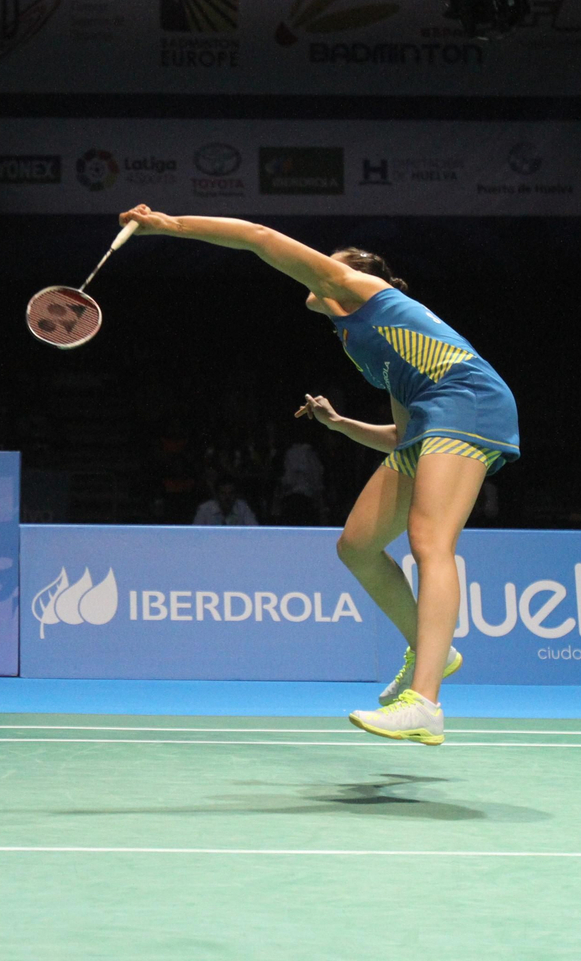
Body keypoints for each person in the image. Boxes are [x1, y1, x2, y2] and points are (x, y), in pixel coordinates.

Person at [120, 203, 520, 746]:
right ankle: (433, 648)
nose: (315, 269)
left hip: (469, 402)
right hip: (433, 413)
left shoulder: (365, 292)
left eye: (325, 262)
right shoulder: (362, 343)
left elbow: (257, 236)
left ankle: (424, 703)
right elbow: (404, 437)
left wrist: (166, 225)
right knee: (357, 545)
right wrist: (339, 423)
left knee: (430, 541)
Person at [193, 478, 258, 526]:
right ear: (217, 495)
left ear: (236, 495)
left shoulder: (243, 508)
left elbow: (254, 531)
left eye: (231, 493)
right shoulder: (204, 509)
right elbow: (195, 534)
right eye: (223, 493)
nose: (227, 497)